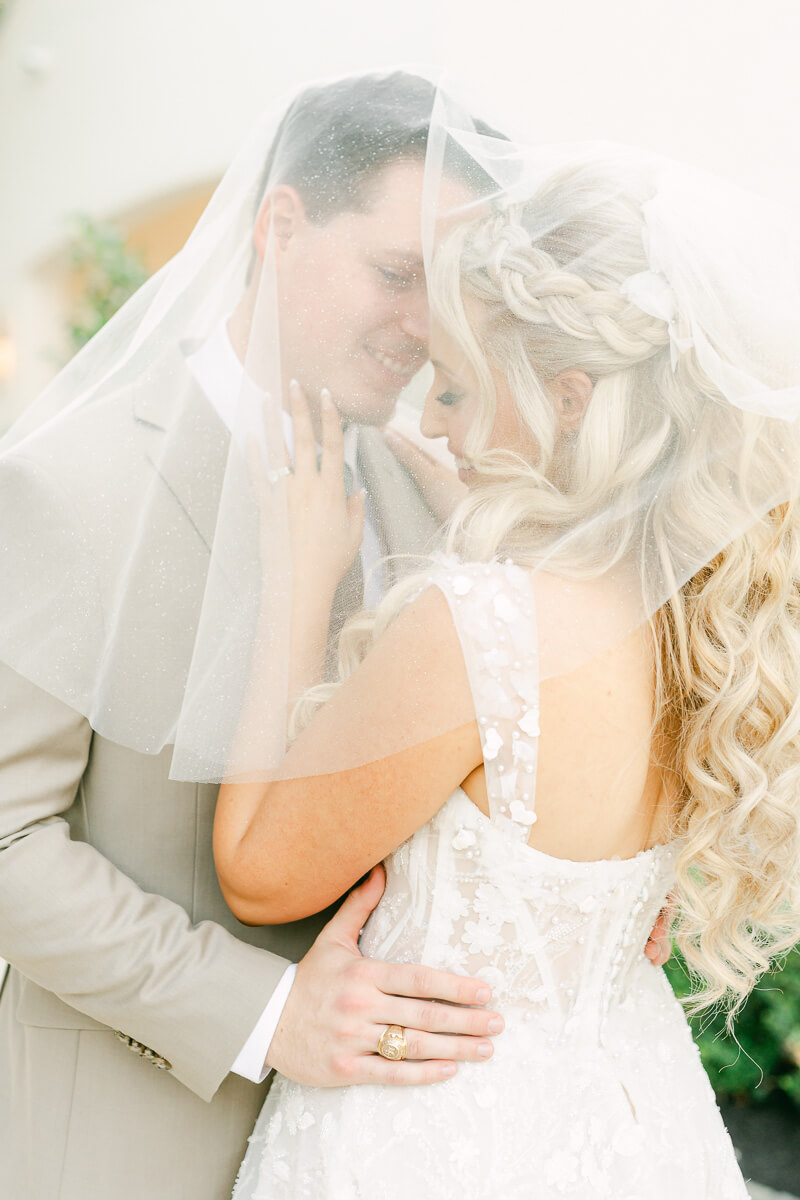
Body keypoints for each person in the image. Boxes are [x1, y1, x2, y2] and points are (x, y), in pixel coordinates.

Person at [214, 143, 800, 1198]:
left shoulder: (476, 627)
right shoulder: (701, 618)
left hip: (437, 1138)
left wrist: (300, 588)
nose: (429, 423)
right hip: (630, 1126)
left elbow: (260, 869)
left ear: (566, 400)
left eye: (457, 386)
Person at [0, 72, 515, 1200]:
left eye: (455, 291)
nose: (427, 329)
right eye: (396, 273)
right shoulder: (68, 490)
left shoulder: (435, 498)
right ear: (279, 226)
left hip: (386, 1153)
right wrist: (267, 1012)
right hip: (132, 1150)